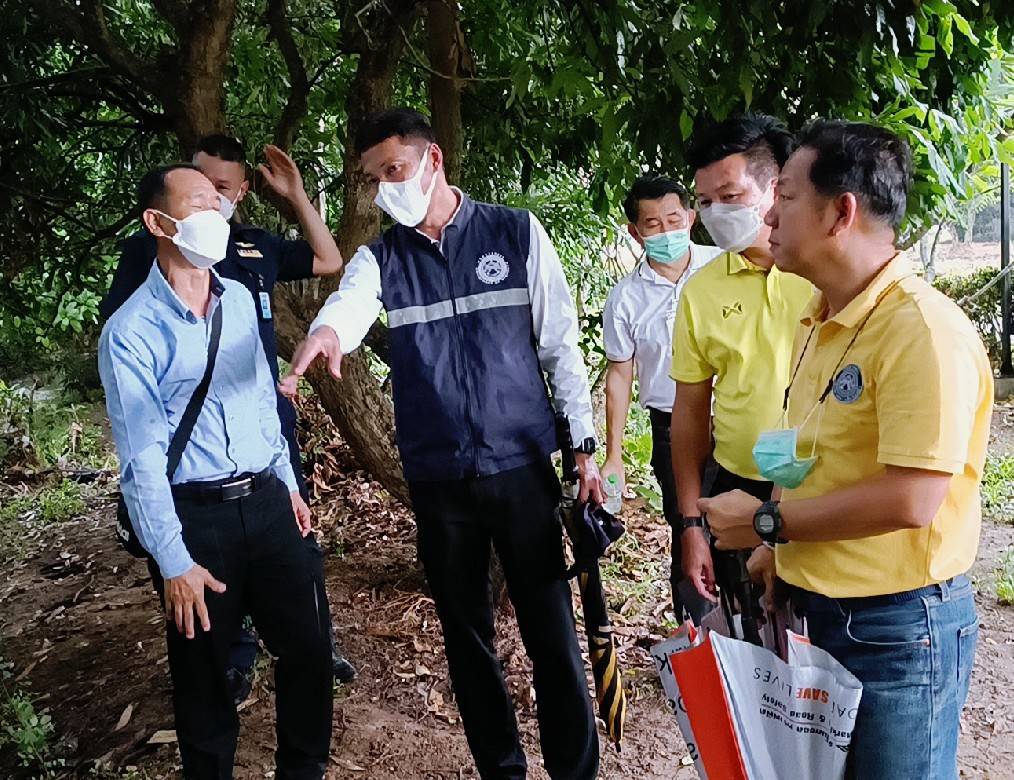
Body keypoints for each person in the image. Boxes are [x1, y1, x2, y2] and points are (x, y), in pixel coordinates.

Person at [281, 108, 601, 780]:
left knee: (552, 634)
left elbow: (560, 346)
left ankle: (574, 771)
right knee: (467, 640)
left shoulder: (515, 232)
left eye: (394, 170)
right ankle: (502, 771)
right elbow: (351, 303)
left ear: (433, 160)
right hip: (439, 481)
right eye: (375, 178)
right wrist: (328, 333)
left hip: (520, 469)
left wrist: (584, 449)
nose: (386, 188)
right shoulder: (382, 259)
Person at [703, 120, 991, 780]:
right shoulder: (823, 315)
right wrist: (781, 552)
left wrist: (767, 522)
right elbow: (813, 445)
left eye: (785, 196)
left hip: (897, 629)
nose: (767, 215)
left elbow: (913, 498)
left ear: (841, 213)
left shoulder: (920, 331)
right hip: (823, 611)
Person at [98, 164, 333, 779]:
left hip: (268, 501)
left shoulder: (238, 300)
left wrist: (287, 483)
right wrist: (173, 562)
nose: (215, 214)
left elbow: (261, 401)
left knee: (309, 651)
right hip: (196, 521)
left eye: (217, 201)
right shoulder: (130, 333)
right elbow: (141, 461)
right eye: (198, 204)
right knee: (203, 677)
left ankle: (303, 768)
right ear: (159, 223)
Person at [670, 114, 813, 634]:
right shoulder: (701, 291)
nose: (716, 213)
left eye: (729, 196)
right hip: (736, 487)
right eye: (705, 201)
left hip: (819, 488)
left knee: (815, 639)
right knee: (748, 639)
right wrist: (691, 524)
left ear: (776, 188)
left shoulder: (819, 274)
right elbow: (689, 413)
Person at [600, 175, 721, 622]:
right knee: (689, 529)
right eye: (653, 224)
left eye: (674, 219)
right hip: (672, 427)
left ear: (690, 216)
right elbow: (620, 374)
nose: (667, 231)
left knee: (745, 526)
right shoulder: (625, 299)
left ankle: (752, 638)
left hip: (734, 417)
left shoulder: (723, 268)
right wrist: (614, 454)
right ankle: (696, 634)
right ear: (635, 232)